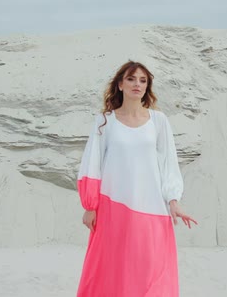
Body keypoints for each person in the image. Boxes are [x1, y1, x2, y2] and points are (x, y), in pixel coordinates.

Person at [76, 60, 197, 297]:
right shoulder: (105, 121)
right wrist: (90, 206)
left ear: (147, 87)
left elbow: (169, 163)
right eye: (131, 79)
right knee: (113, 269)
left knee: (151, 269)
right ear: (120, 84)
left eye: (143, 80)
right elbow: (92, 164)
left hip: (152, 207)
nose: (137, 84)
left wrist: (173, 199)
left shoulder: (158, 121)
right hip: (113, 207)